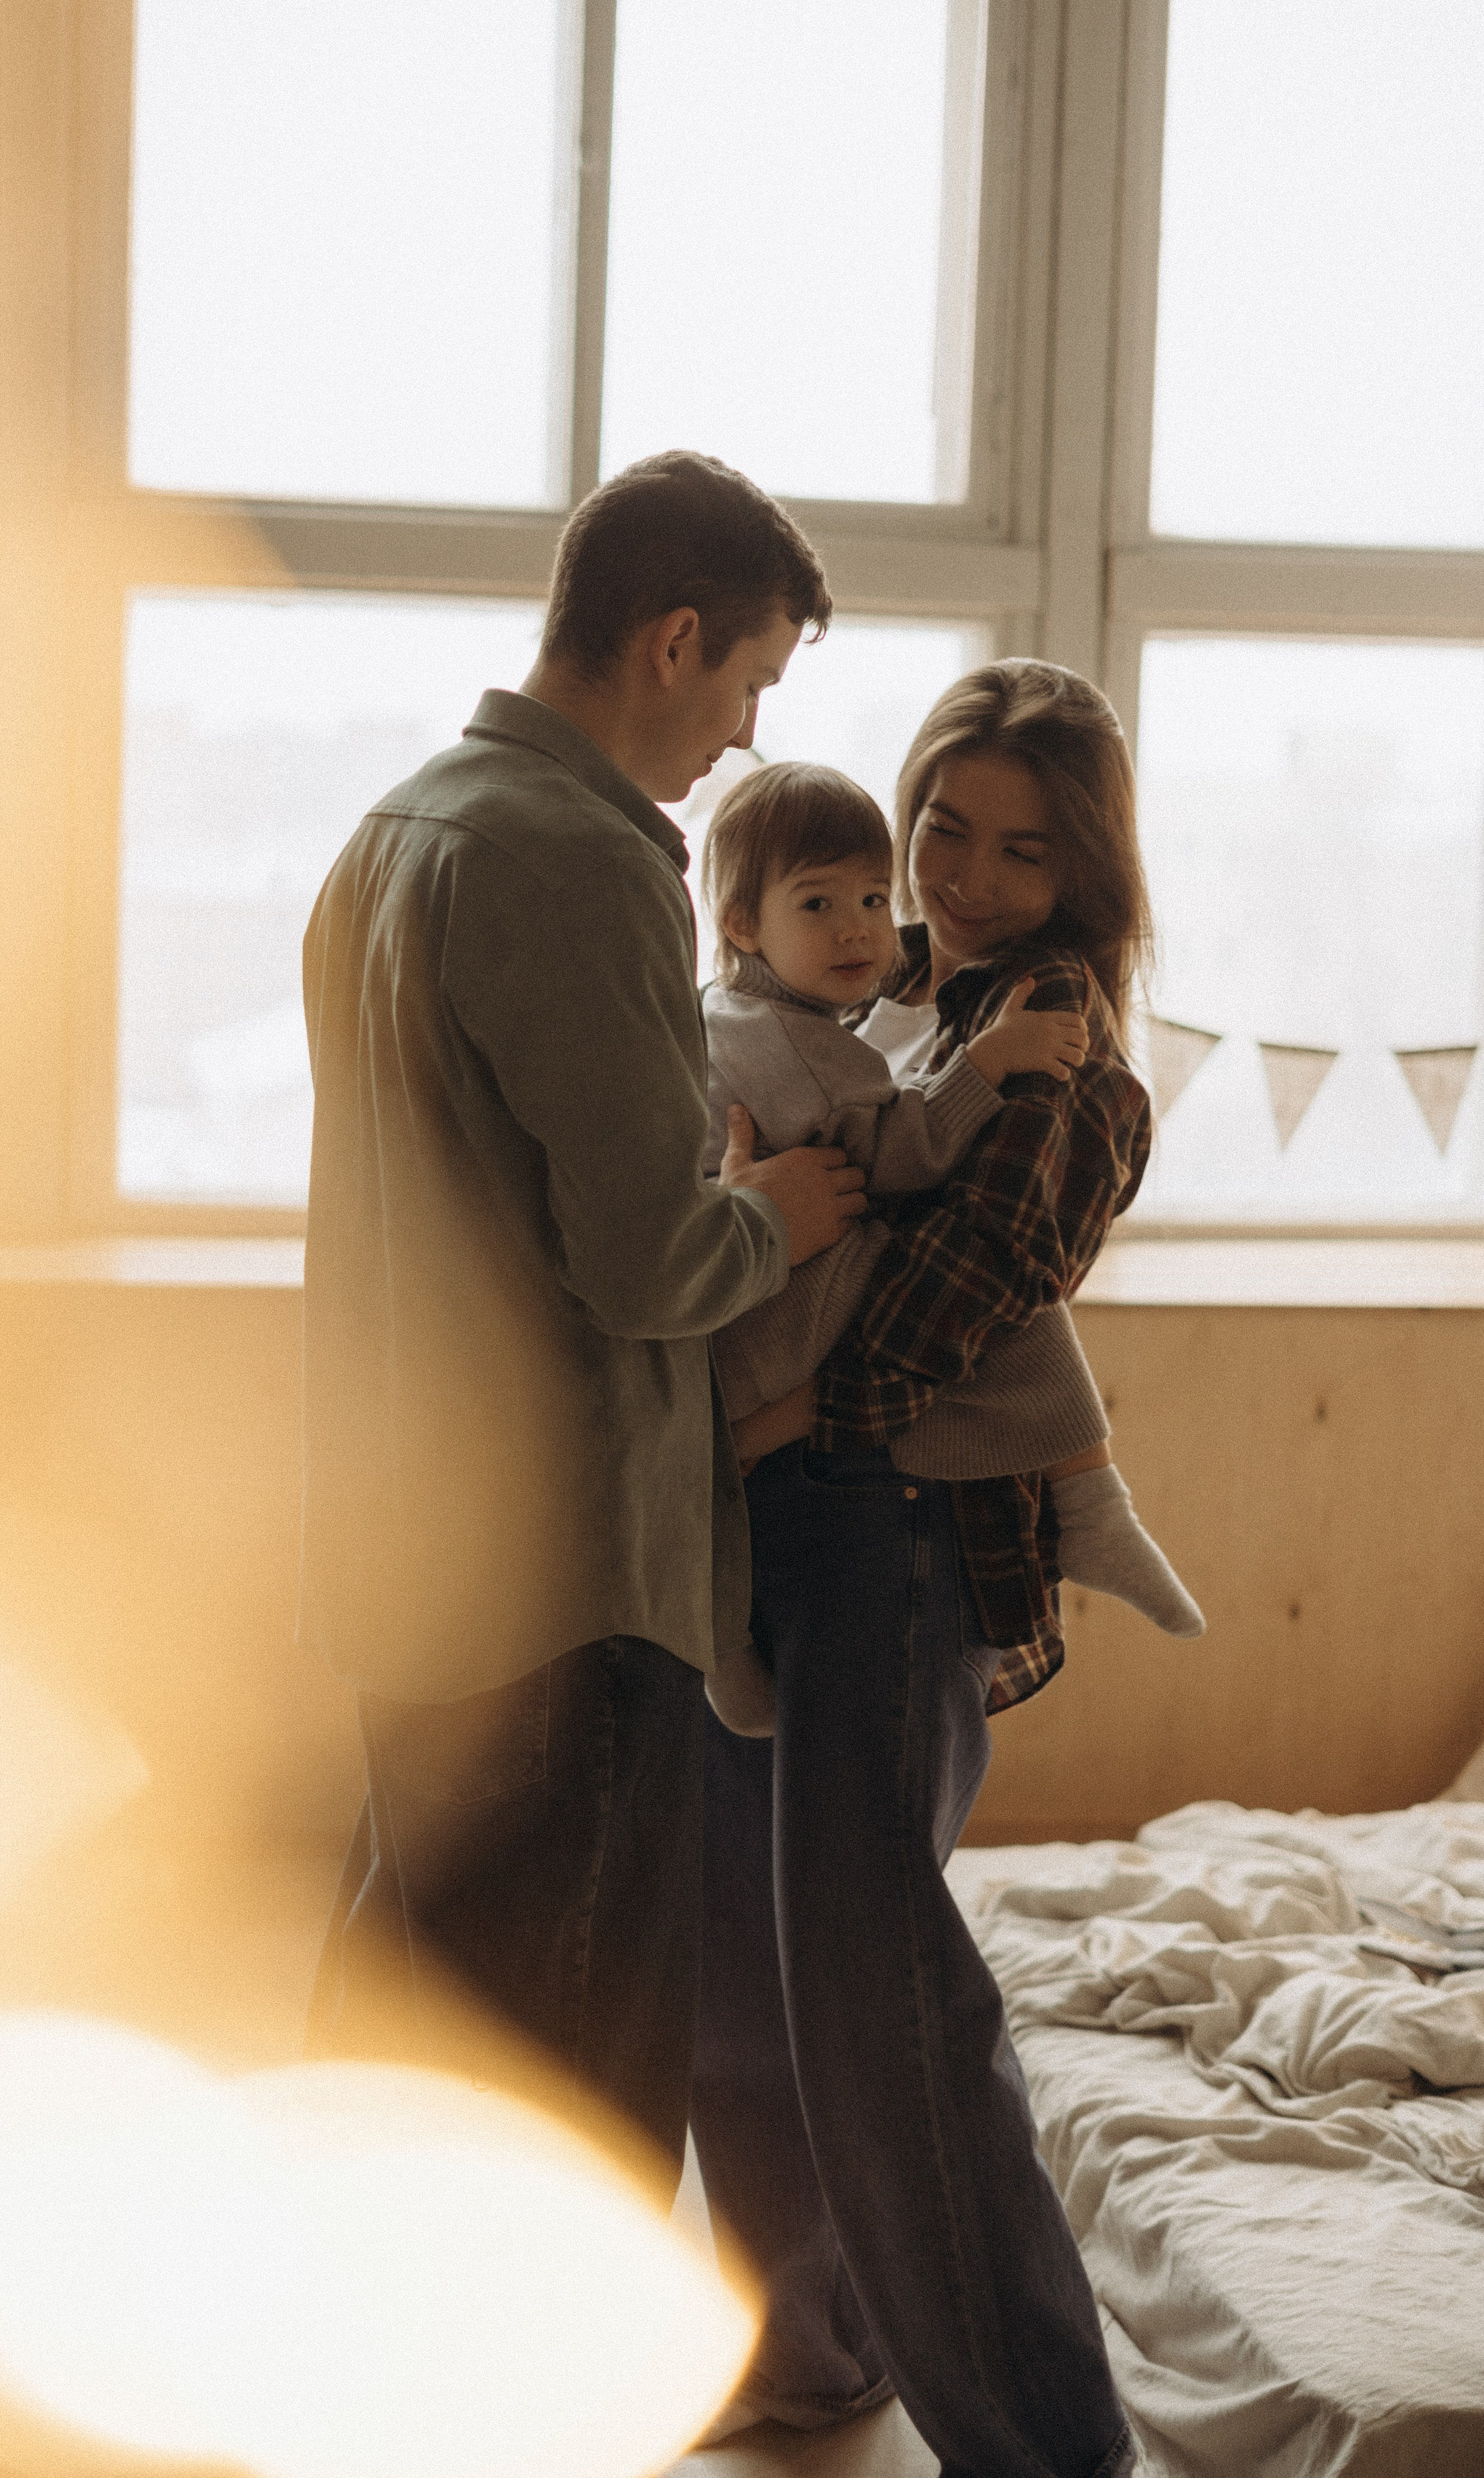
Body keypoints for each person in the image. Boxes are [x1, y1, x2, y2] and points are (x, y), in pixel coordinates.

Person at [298, 450, 867, 2191]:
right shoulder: (585, 859)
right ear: (674, 640)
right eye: (754, 683)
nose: (745, 740)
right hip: (561, 1579)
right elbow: (647, 1265)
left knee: (413, 2050)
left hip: (406, 1550)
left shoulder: (397, 835)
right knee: (580, 2127)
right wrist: (774, 1215)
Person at [690, 662, 1157, 2478]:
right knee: (750, 1961)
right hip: (794, 1537)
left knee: (889, 2006)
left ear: (1084, 873)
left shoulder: (1056, 1049)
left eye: (1018, 850)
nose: (959, 876)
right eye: (940, 830)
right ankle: (807, 2350)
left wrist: (761, 1406)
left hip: (889, 1534)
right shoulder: (894, 1004)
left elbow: (930, 1337)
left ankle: (1048, 2449)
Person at [696, 758, 1203, 1736]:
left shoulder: (776, 1000)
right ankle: (1094, 1505)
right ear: (742, 923)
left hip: (819, 1410)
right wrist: (983, 1065)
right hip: (771, 1336)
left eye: (870, 897)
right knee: (1016, 1306)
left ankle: (1093, 1509)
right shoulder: (809, 1024)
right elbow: (896, 1153)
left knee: (999, 1282)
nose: (858, 924)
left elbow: (989, 1244)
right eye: (947, 830)